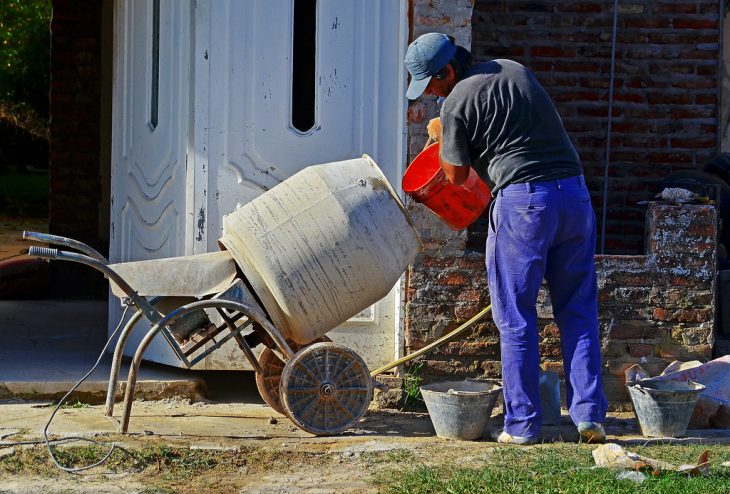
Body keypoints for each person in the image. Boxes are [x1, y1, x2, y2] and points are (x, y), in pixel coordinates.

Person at [404, 32, 608, 444]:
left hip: (524, 204)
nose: (431, 94)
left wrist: (444, 133)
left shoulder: (457, 100)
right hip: (574, 196)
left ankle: (522, 426)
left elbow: (456, 177)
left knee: (515, 317)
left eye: (431, 85)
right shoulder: (515, 71)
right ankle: (589, 418)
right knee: (578, 309)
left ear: (446, 71)